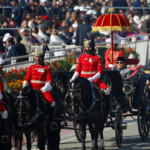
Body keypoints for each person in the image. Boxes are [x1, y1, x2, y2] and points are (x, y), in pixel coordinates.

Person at [22, 48, 60, 150]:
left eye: (40, 57)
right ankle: (22, 119)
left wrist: (44, 88)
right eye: (37, 57)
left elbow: (49, 82)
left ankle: (52, 122)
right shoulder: (31, 68)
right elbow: (27, 79)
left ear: (43, 58)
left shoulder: (47, 68)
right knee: (22, 101)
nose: (38, 59)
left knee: (52, 102)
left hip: (43, 90)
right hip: (32, 90)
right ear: (34, 57)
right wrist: (24, 85)